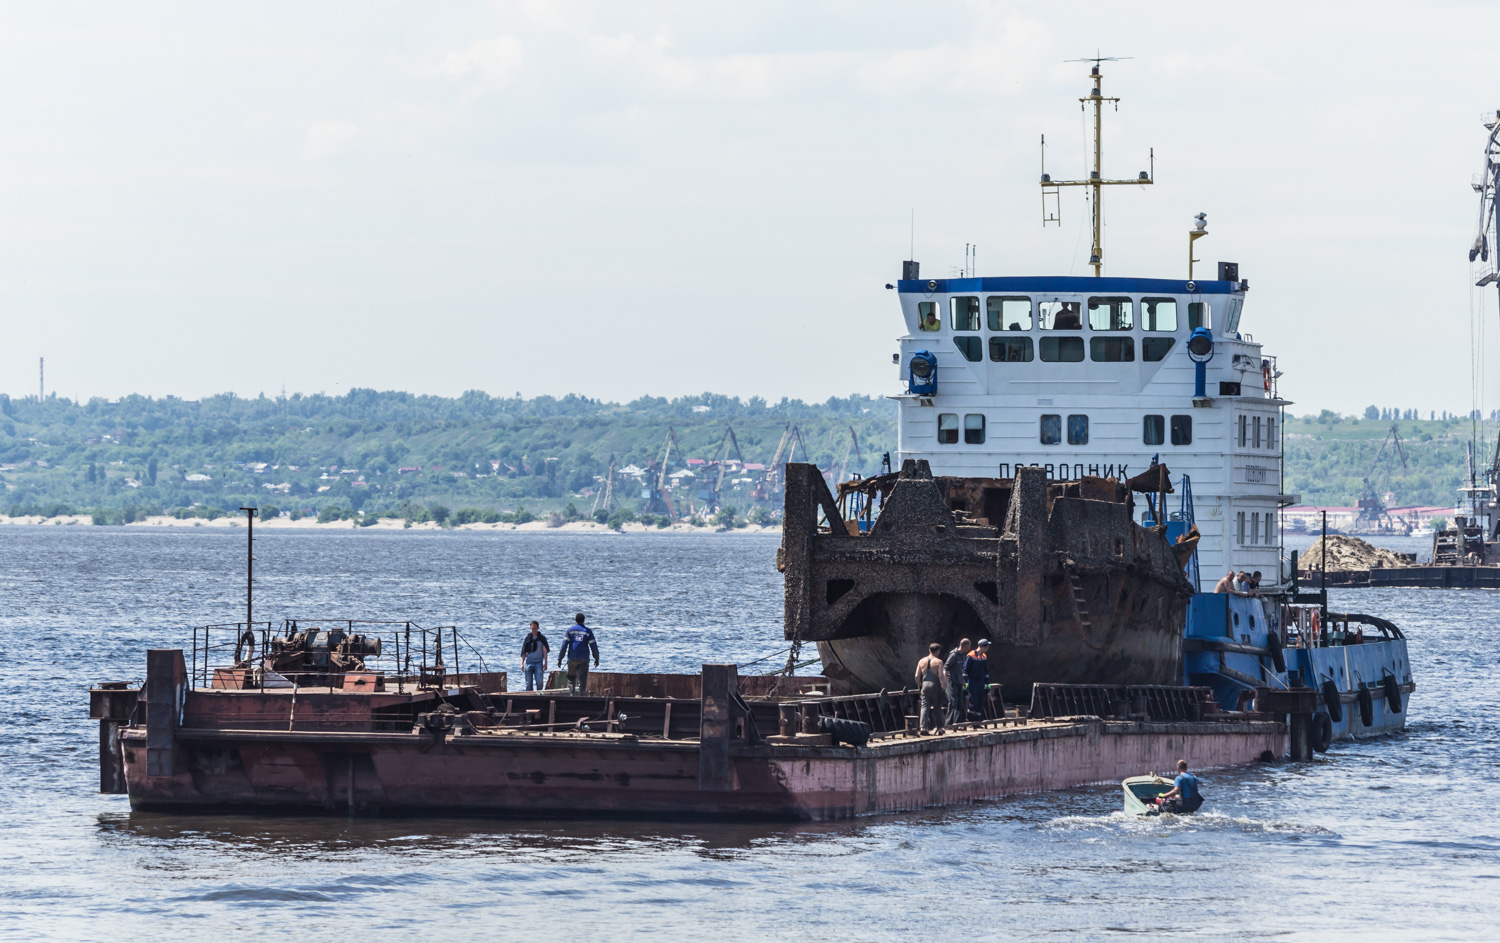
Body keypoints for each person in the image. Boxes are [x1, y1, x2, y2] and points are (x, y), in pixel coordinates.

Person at [557, 613, 600, 694]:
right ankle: (581, 698)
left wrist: (560, 658)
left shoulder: (570, 630)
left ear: (575, 620)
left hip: (572, 658)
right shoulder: (588, 631)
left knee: (571, 679)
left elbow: (564, 645)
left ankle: (572, 697)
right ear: (584, 620)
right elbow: (593, 646)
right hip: (584, 659)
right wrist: (596, 658)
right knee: (582, 680)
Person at [913, 643, 949, 735]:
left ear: (929, 650)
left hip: (924, 685)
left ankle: (923, 728)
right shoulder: (939, 662)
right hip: (935, 686)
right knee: (937, 707)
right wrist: (944, 687)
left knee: (925, 706)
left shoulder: (921, 661)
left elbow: (917, 676)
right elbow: (941, 676)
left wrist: (920, 685)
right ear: (938, 651)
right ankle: (940, 728)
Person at [943, 638, 972, 726]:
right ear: (965, 646)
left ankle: (958, 723)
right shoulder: (954, 655)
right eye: (968, 647)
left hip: (959, 682)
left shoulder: (962, 655)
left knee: (960, 702)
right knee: (953, 702)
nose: (969, 649)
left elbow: (961, 670)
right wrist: (944, 682)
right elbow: (946, 668)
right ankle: (948, 723)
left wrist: (963, 681)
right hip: (951, 682)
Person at [964, 639, 991, 721]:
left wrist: (987, 684)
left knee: (981, 700)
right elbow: (965, 670)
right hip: (973, 681)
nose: (987, 649)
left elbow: (986, 671)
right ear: (981, 647)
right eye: (986, 647)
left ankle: (978, 719)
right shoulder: (971, 656)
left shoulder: (984, 657)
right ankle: (969, 718)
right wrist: (966, 682)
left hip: (981, 682)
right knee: (974, 700)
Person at [520, 621, 549, 692]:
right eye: (532, 628)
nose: (534, 630)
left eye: (535, 628)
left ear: (538, 628)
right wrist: (522, 663)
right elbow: (524, 651)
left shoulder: (542, 638)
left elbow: (545, 651)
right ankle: (529, 697)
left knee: (539, 682)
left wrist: (545, 663)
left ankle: (539, 695)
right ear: (530, 628)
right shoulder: (527, 638)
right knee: (528, 683)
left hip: (538, 663)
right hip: (529, 662)